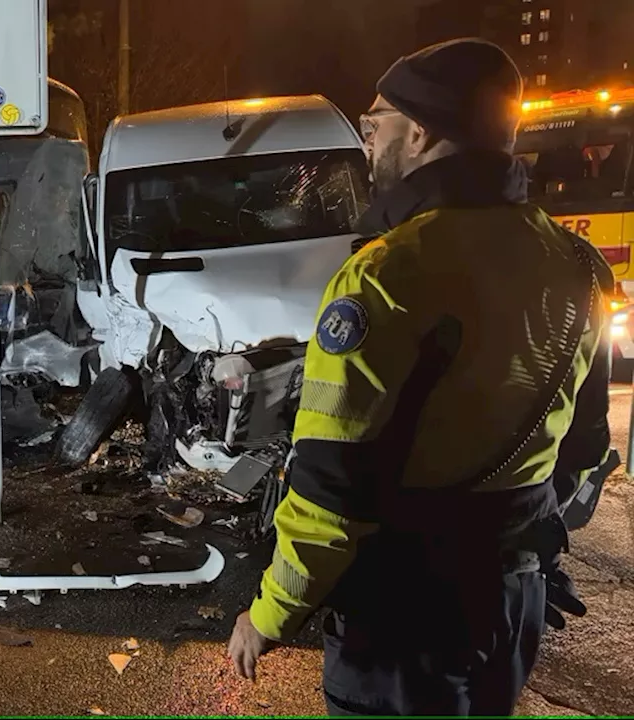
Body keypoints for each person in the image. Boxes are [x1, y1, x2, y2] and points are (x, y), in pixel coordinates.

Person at [226, 38, 613, 716]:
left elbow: (331, 485)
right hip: (513, 600)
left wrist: (269, 615)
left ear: (423, 130)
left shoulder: (388, 274)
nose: (368, 142)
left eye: (374, 125)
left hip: (407, 620)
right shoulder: (577, 265)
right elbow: (583, 449)